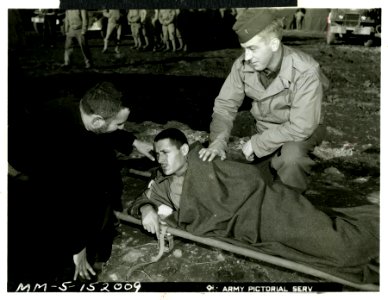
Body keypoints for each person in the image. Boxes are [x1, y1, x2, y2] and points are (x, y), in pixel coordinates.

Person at [129, 128, 379, 284]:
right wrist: (146, 210)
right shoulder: (162, 182)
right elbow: (141, 199)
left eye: (165, 152)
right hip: (246, 227)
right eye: (157, 154)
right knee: (326, 250)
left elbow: (252, 179)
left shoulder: (205, 159)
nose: (160, 159)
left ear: (184, 149)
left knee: (339, 243)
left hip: (266, 208)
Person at [8, 82, 155, 284]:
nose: (121, 128)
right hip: (20, 175)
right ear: (96, 121)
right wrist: (78, 247)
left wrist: (133, 141)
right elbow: (62, 200)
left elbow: (104, 130)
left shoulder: (82, 110)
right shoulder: (63, 147)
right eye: (119, 125)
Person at [199, 10, 329, 193]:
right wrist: (217, 142)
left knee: (291, 158)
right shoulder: (242, 65)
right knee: (252, 186)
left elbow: (302, 126)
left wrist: (258, 143)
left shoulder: (305, 70)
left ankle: (291, 206)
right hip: (265, 127)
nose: (246, 57)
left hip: (303, 129)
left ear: (274, 44)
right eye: (244, 49)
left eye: (253, 48)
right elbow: (225, 106)